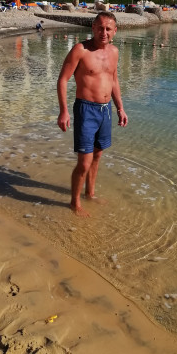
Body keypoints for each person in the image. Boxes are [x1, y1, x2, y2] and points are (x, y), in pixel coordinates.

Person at [57, 11, 128, 217]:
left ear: (115, 31)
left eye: (108, 29)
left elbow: (114, 80)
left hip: (105, 110)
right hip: (85, 109)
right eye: (100, 28)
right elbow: (63, 80)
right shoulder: (81, 50)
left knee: (97, 156)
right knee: (84, 162)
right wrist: (63, 111)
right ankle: (75, 203)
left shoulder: (114, 52)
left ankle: (90, 193)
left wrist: (120, 108)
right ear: (93, 28)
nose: (104, 32)